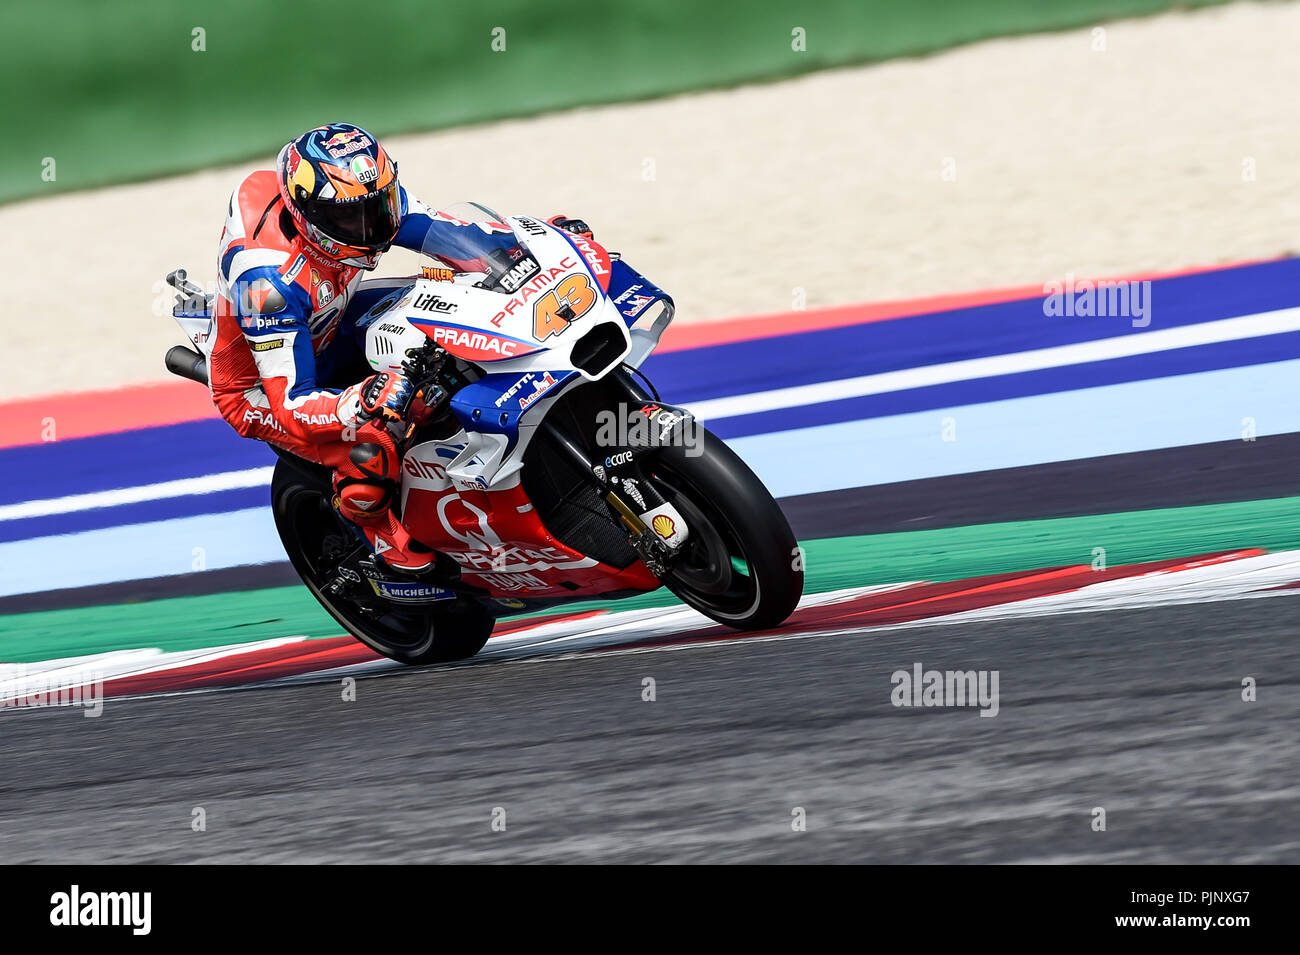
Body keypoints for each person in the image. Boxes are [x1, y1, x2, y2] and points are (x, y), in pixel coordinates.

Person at [208, 122, 590, 575]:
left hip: (332, 320)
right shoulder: (267, 284)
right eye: (351, 217)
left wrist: (531, 253)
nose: (372, 226)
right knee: (373, 449)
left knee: (453, 303)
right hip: (259, 387)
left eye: (380, 205)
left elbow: (458, 239)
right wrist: (362, 400)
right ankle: (384, 543)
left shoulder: (365, 199)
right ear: (308, 215)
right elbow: (291, 405)